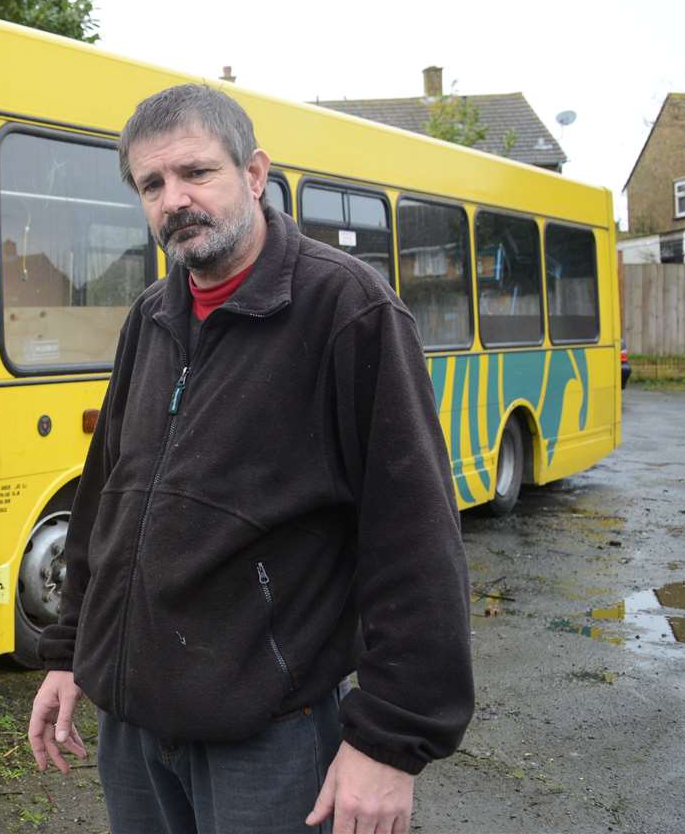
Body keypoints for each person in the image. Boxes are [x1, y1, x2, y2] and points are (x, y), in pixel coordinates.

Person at [26, 84, 473, 834]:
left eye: (196, 172)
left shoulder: (347, 310)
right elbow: (105, 499)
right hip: (135, 732)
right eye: (152, 184)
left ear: (256, 173)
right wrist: (69, 653)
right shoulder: (153, 316)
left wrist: (390, 744)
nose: (176, 200)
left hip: (269, 738)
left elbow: (415, 540)